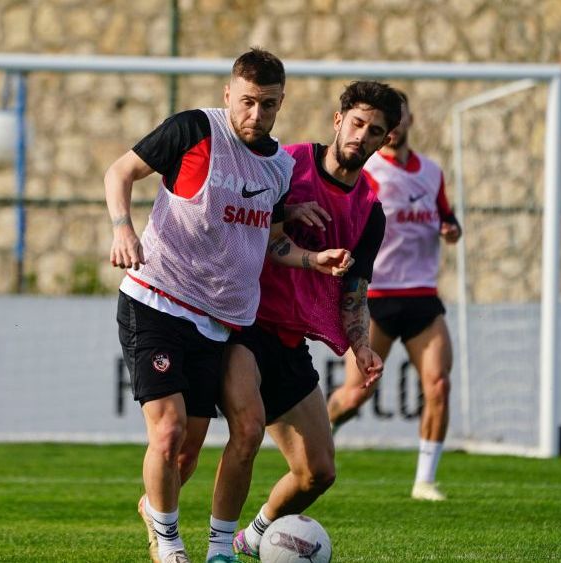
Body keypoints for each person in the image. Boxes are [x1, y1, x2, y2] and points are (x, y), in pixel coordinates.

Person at [104, 48, 354, 563]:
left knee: (188, 451)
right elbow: (119, 172)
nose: (256, 115)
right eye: (247, 102)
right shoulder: (193, 130)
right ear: (227, 95)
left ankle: (193, 530)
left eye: (267, 105)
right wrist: (122, 228)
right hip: (156, 298)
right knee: (169, 431)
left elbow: (269, 242)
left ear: (281, 103)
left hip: (217, 323)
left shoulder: (280, 168)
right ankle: (168, 542)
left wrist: (310, 260)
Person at [205, 81, 403, 562]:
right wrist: (309, 254)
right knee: (247, 431)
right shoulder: (285, 165)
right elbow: (250, 234)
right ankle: (217, 552)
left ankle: (253, 536)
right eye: (356, 123)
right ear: (338, 121)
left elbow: (355, 293)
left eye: (375, 130)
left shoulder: (370, 213)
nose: (362, 135)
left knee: (319, 471)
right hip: (244, 325)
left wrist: (361, 346)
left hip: (290, 343)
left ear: (384, 141)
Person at [326, 90, 462, 502]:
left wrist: (450, 228)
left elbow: (445, 215)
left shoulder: (432, 172)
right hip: (376, 296)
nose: (394, 126)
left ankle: (425, 481)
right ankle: (321, 429)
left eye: (398, 118)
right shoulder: (367, 174)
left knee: (438, 385)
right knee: (355, 395)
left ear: (408, 121)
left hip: (421, 296)